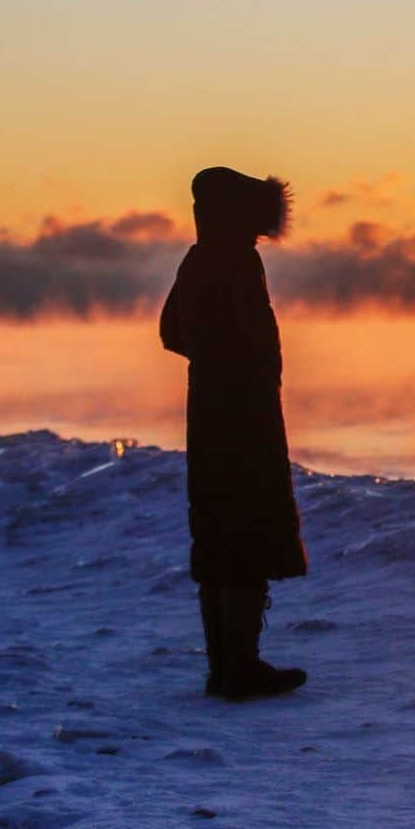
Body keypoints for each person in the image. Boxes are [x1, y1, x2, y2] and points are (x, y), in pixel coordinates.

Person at [159, 167, 308, 700]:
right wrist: (252, 373)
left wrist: (210, 359)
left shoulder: (198, 258)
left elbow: (171, 332)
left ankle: (224, 667)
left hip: (208, 410)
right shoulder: (238, 261)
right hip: (245, 413)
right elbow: (252, 340)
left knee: (219, 530)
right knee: (246, 529)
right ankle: (240, 670)